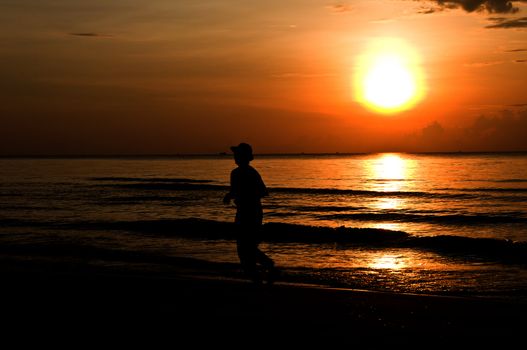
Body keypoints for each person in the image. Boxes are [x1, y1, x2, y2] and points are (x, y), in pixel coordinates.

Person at [223, 142, 277, 285]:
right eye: (235, 155)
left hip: (251, 212)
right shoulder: (237, 173)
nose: (235, 157)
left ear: (243, 157)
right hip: (245, 212)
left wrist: (241, 196)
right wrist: (230, 196)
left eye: (237, 155)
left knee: (246, 248)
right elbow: (236, 190)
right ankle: (261, 273)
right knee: (245, 248)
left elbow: (262, 191)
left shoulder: (249, 173)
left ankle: (266, 268)